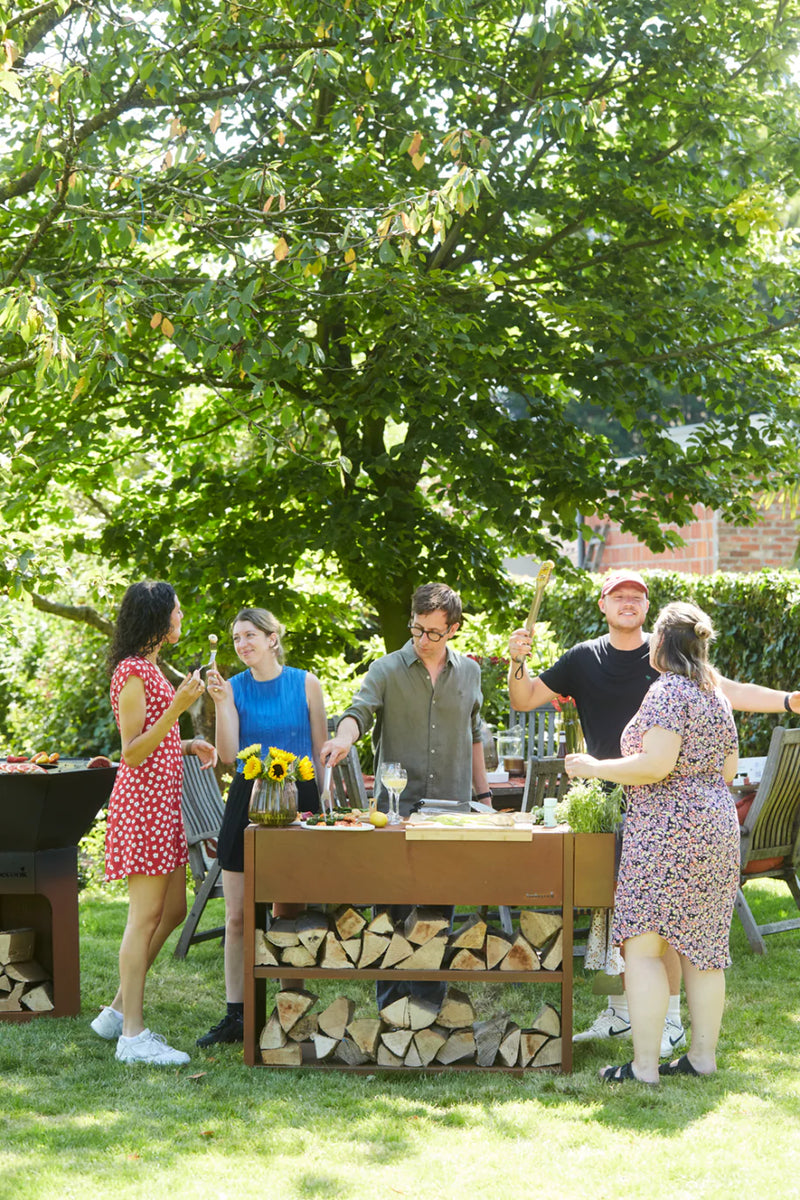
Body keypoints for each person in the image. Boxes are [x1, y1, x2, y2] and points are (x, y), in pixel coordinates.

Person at [508, 568, 800, 1055]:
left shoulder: (669, 656)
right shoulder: (583, 657)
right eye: (618, 595)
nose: (628, 602)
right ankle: (622, 1013)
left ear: (648, 609)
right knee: (614, 913)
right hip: (606, 801)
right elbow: (523, 698)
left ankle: (669, 1023)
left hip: (663, 808)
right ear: (603, 605)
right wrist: (516, 661)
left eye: (636, 596)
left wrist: (788, 700)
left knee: (659, 923)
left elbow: (728, 690)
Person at [565, 601, 740, 1084]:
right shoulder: (716, 696)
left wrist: (594, 766)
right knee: (705, 949)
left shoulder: (667, 692)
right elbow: (727, 770)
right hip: (717, 829)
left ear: (660, 642)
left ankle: (644, 1067)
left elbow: (656, 765)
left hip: (666, 830)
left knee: (643, 948)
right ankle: (701, 1058)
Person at [320, 582, 491, 1011]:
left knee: (437, 913)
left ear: (453, 629)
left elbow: (474, 735)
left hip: (450, 813)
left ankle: (428, 1011)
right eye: (416, 629)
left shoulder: (470, 673)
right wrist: (343, 739)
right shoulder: (386, 669)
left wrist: (485, 795)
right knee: (391, 914)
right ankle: (390, 1013)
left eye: (433, 632)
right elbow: (358, 712)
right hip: (394, 815)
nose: (422, 640)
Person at [91, 580, 217, 1065]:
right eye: (176, 611)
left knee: (174, 911)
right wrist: (179, 709)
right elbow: (131, 751)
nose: (181, 618)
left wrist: (187, 743)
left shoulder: (150, 668)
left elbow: (155, 739)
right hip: (143, 808)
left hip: (162, 808)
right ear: (158, 617)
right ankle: (133, 1037)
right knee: (143, 919)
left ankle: (116, 1011)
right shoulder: (132, 671)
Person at [197, 607, 327, 1047]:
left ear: (273, 638)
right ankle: (236, 1015)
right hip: (247, 800)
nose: (242, 644)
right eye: (236, 638)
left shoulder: (306, 683)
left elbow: (319, 751)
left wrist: (321, 806)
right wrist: (220, 703)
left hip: (297, 797)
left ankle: (292, 1011)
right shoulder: (233, 687)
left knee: (288, 912)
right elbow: (228, 755)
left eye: (250, 635)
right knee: (237, 916)